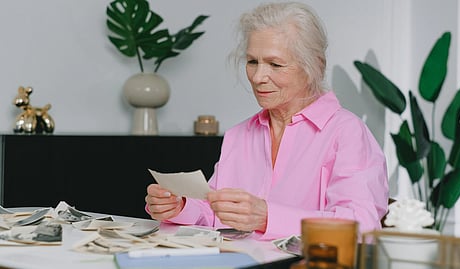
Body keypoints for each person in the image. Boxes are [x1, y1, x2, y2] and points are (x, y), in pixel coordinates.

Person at [145, 1, 389, 240]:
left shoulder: (347, 132)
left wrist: (266, 217)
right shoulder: (239, 135)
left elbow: (361, 226)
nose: (259, 77)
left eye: (275, 64)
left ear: (315, 65)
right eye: (253, 62)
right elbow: (216, 214)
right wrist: (180, 207)